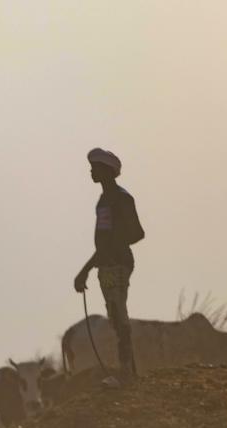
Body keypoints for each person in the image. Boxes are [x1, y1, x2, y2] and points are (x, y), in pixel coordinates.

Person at [73, 147, 145, 384]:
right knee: (115, 315)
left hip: (117, 264)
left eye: (95, 167)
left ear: (107, 170)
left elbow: (136, 233)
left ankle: (127, 373)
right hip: (107, 264)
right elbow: (104, 243)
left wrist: (90, 266)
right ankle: (128, 371)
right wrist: (90, 267)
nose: (91, 171)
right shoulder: (104, 200)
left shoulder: (121, 199)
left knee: (118, 314)